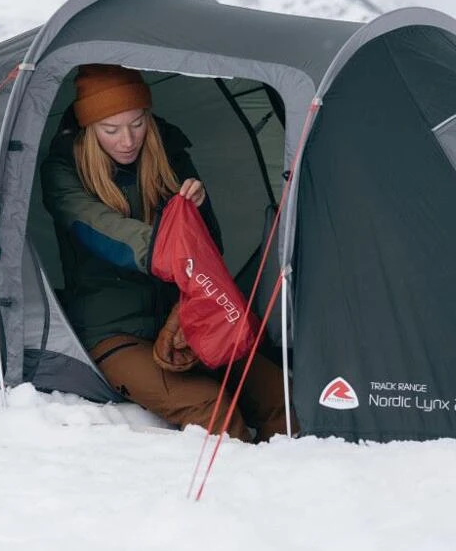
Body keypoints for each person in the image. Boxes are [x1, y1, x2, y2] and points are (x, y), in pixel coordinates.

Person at [40, 63, 295, 442]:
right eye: (111, 129)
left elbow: (208, 250)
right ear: (88, 128)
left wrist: (198, 212)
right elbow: (98, 227)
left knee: (277, 395)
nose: (128, 140)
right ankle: (237, 478)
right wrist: (168, 245)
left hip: (182, 318)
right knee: (210, 405)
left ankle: (292, 472)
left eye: (137, 123)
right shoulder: (64, 171)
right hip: (113, 331)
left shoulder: (168, 154)